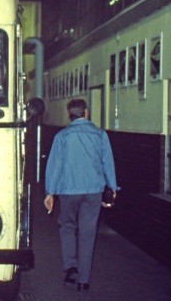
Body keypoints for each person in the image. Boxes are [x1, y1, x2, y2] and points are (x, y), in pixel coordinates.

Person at [43, 98, 119, 292]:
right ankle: (84, 280)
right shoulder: (100, 135)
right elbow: (107, 163)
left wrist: (50, 192)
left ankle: (70, 267)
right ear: (85, 112)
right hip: (93, 191)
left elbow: (55, 166)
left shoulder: (62, 136)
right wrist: (112, 188)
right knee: (88, 233)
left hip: (68, 191)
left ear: (71, 114)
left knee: (67, 227)